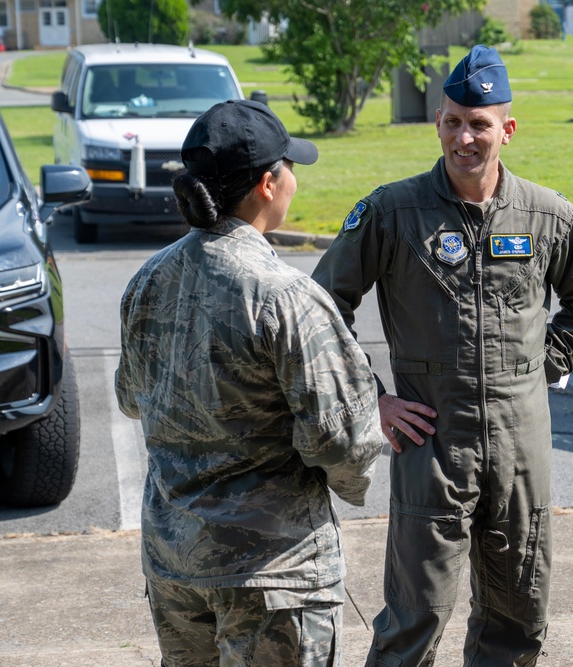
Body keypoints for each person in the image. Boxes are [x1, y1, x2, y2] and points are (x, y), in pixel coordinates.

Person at [311, 45, 573, 667]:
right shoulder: (393, 212)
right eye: (452, 121)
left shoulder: (547, 214)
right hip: (431, 440)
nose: (464, 137)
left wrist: (544, 367)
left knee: (519, 614)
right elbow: (321, 309)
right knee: (413, 617)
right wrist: (376, 399)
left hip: (519, 445)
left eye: (479, 124)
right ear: (439, 125)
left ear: (507, 129)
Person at [115, 99, 384, 667]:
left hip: (176, 562)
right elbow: (343, 441)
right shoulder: (284, 295)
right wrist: (349, 478)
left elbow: (131, 398)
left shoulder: (148, 281)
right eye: (289, 168)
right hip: (274, 573)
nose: (292, 181)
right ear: (268, 183)